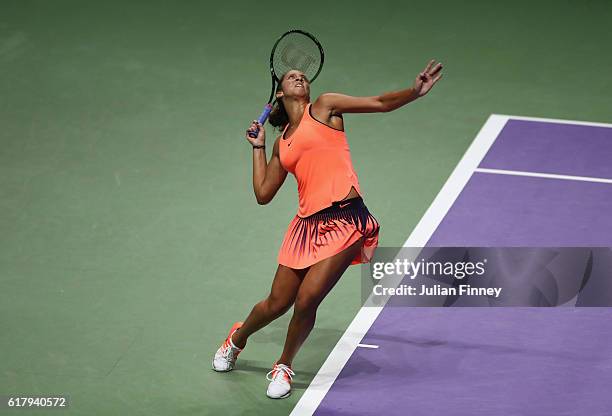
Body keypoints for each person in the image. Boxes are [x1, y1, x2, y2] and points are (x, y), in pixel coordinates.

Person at [213, 60, 443, 399]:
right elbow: (263, 194)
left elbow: (379, 103)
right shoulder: (283, 144)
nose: (299, 76)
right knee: (277, 303)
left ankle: (284, 366)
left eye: (303, 76)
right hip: (305, 228)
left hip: (347, 221)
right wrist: (259, 147)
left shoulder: (325, 107)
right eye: (291, 76)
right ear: (280, 92)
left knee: (307, 300)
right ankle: (237, 338)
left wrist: (414, 92)